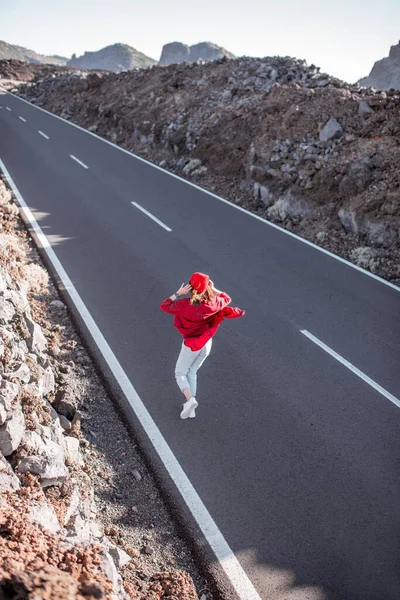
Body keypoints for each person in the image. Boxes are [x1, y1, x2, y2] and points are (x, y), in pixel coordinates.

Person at [160, 272, 245, 419]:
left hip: (192, 345)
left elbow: (165, 305)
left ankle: (190, 400)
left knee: (180, 373)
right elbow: (227, 298)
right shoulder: (213, 304)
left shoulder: (184, 305)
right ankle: (191, 409)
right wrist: (214, 288)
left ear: (189, 287)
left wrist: (178, 293)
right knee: (192, 372)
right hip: (206, 343)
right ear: (207, 287)